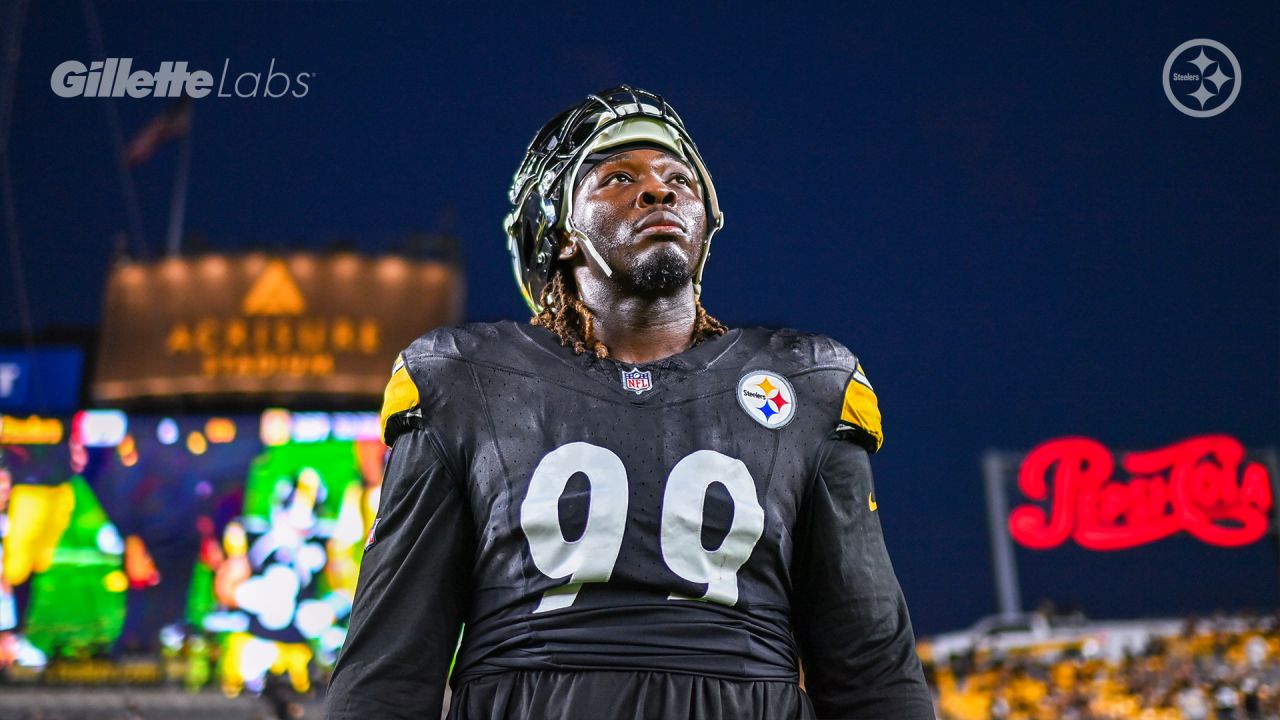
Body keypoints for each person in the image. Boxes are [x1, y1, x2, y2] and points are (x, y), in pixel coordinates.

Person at [326, 85, 933, 720]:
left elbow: (871, 666)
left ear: (705, 227)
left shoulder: (808, 381)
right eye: (617, 177)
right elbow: (387, 669)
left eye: (680, 179)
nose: (659, 190)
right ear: (560, 234)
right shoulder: (464, 378)